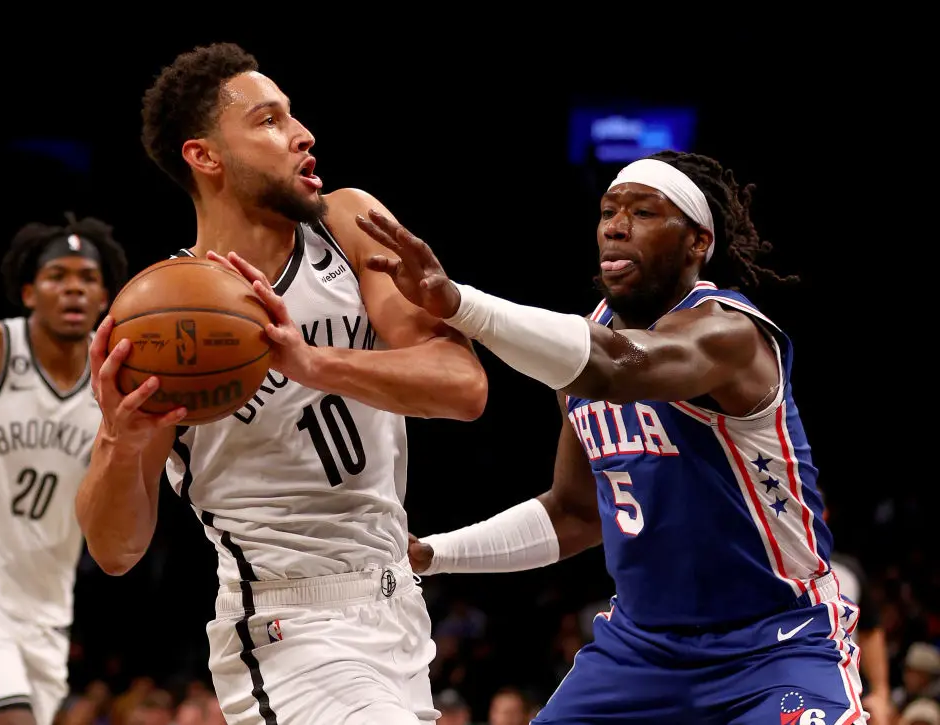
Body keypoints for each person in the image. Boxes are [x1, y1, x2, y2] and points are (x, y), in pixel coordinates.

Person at [363, 150, 867, 723]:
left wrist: (458, 303)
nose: (615, 225)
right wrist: (434, 552)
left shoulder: (730, 334)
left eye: (644, 212)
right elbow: (576, 513)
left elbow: (620, 367)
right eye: (608, 211)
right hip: (641, 651)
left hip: (776, 640)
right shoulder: (581, 354)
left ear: (698, 243)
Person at [75, 42, 488, 725]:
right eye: (268, 120)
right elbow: (115, 550)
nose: (302, 134)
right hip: (287, 627)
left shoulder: (350, 227)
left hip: (400, 612)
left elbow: (462, 384)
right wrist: (124, 440)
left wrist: (312, 363)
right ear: (204, 155)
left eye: (291, 116)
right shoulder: (160, 322)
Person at [0, 215, 127, 725]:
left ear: (104, 299)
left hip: (47, 613)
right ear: (29, 293)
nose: (73, 288)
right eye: (57, 276)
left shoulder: (115, 382)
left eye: (88, 278)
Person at [821, 485, 895, 724]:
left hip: (844, 692)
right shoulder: (766, 571)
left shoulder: (848, 571)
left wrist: (881, 692)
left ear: (824, 515)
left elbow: (871, 630)